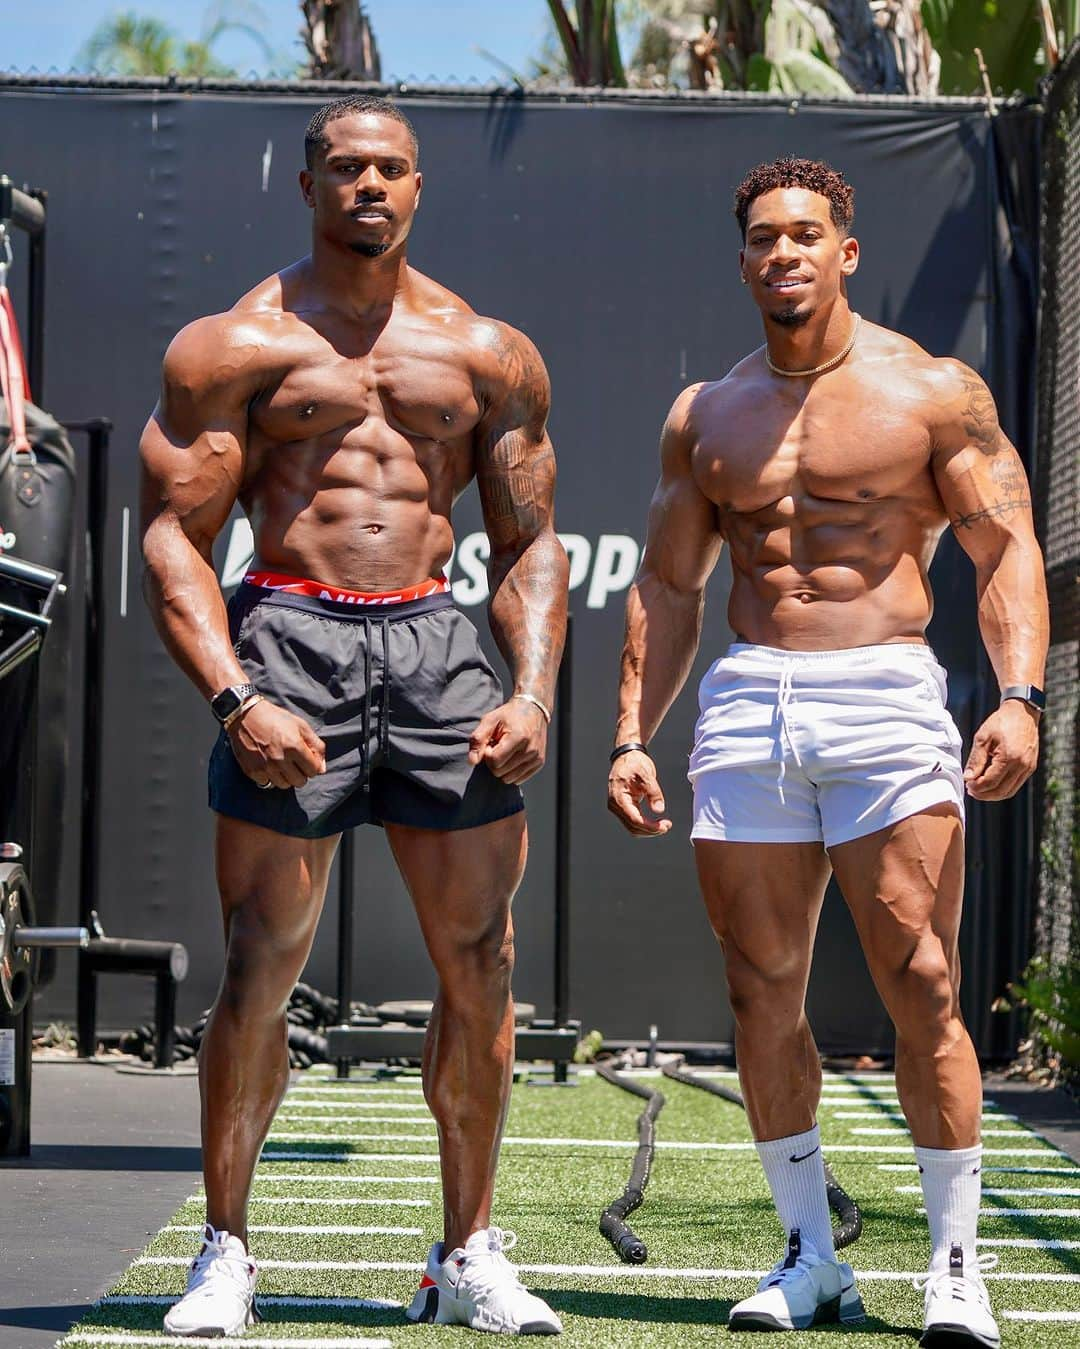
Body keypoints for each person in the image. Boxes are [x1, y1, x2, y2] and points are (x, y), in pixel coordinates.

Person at [140, 93, 568, 1338]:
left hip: (439, 646)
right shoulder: (233, 346)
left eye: (390, 167)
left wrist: (533, 687)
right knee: (259, 961)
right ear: (310, 183)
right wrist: (235, 696)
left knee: (480, 964)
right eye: (346, 167)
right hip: (291, 635)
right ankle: (226, 1248)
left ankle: (468, 1250)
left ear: (419, 186)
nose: (368, 184)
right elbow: (175, 539)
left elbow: (529, 547)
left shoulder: (491, 353)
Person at [607, 156, 1047, 1348]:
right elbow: (668, 579)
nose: (784, 254)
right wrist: (630, 732)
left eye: (806, 234)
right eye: (763, 238)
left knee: (926, 983)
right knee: (761, 990)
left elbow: (1003, 552)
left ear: (845, 250)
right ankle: (811, 1254)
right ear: (744, 258)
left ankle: (956, 1268)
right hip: (754, 696)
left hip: (885, 691)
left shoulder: (931, 391)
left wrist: (1020, 696)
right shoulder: (707, 413)